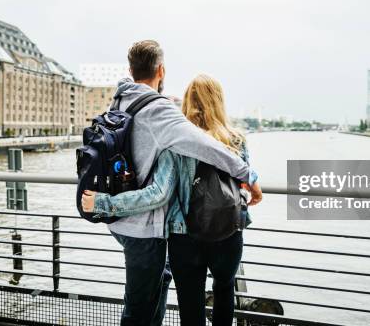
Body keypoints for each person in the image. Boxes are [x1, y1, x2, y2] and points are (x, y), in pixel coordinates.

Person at [87, 41, 260, 326]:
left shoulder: (171, 137)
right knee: (224, 291)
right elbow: (241, 186)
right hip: (228, 231)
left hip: (183, 233)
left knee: (189, 304)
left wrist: (104, 203)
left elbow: (162, 190)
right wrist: (250, 179)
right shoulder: (237, 140)